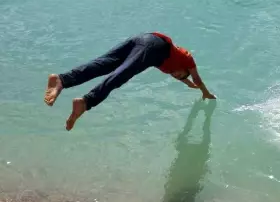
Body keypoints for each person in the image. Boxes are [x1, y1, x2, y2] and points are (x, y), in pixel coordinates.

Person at [44, 32, 216, 131]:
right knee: (122, 74)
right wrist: (205, 92)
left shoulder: (169, 68)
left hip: (140, 40)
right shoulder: (186, 59)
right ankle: (87, 101)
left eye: (177, 77)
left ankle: (62, 80)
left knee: (105, 65)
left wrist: (186, 84)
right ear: (185, 69)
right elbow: (196, 78)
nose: (176, 75)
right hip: (154, 45)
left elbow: (186, 79)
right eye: (181, 74)